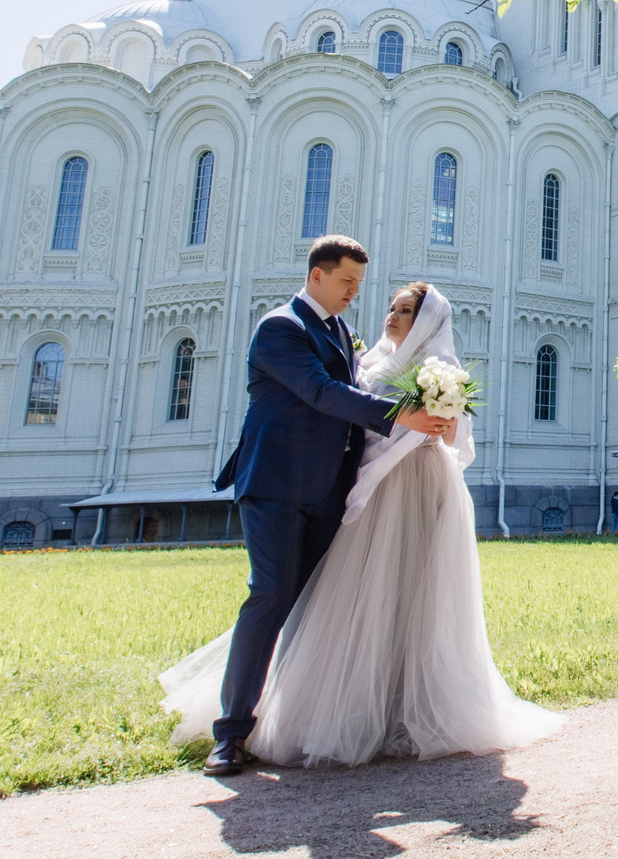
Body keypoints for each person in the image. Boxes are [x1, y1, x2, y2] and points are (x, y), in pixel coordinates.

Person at [162, 274, 560, 767]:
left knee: (413, 598)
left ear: (427, 321)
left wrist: (438, 414)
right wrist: (401, 418)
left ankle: (401, 708)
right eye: (390, 308)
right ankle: (298, 708)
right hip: (358, 491)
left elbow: (456, 435)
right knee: (351, 596)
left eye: (404, 311)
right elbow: (336, 401)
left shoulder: (440, 368)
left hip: (416, 485)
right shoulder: (363, 358)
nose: (391, 317)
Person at [190, 236, 449, 777]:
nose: (357, 291)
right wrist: (408, 413)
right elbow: (321, 392)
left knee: (311, 605)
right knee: (271, 596)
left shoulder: (339, 333)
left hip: (331, 491)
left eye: (359, 282)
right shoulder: (280, 327)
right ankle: (231, 733)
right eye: (348, 281)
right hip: (278, 485)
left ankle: (288, 715)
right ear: (317, 277)